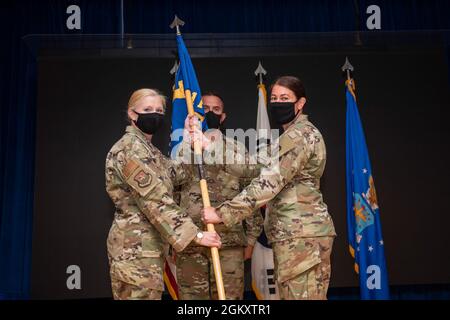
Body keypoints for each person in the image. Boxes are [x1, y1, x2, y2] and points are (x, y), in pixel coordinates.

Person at [201, 76, 336, 300]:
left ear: (300, 103)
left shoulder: (299, 135)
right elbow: (253, 167)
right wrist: (209, 146)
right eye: (274, 98)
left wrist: (221, 213)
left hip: (301, 236)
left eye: (285, 98)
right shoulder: (286, 137)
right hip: (294, 235)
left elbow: (267, 184)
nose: (277, 103)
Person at [105, 88, 221, 300]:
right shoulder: (130, 149)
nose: (155, 114)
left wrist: (187, 141)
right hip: (135, 253)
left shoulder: (149, 150)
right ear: (132, 113)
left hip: (148, 250)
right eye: (147, 109)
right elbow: (155, 201)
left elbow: (178, 174)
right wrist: (197, 235)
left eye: (159, 110)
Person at [175, 92, 264, 300]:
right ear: (197, 114)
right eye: (205, 108)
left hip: (229, 243)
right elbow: (172, 194)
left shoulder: (236, 150)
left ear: (223, 117)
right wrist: (175, 238)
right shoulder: (183, 149)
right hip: (192, 243)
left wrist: (251, 240)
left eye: (216, 110)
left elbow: (250, 193)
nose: (210, 113)